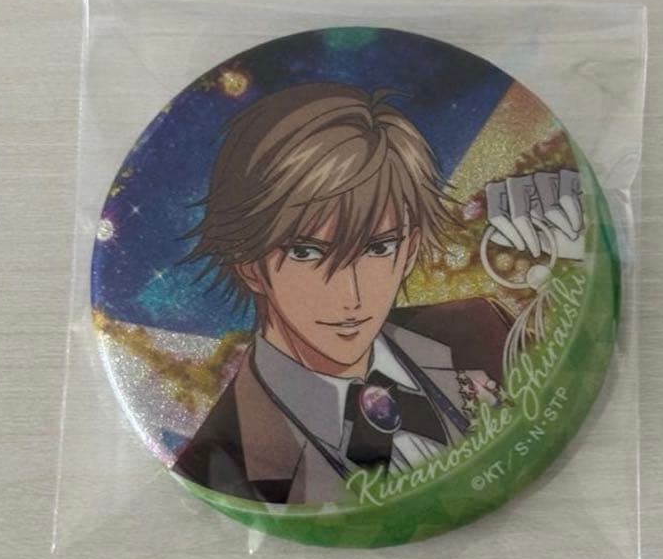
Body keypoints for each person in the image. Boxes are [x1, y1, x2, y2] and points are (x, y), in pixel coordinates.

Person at [172, 82, 514, 505]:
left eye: (379, 247)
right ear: (250, 265)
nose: (351, 296)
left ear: (409, 249)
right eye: (306, 252)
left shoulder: (481, 330)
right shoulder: (218, 464)